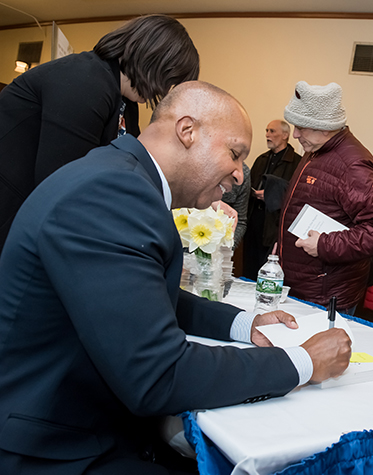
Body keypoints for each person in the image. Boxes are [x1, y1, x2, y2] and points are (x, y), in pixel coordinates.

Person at [0, 81, 352, 474]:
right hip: (55, 448)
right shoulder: (114, 193)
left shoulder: (119, 176)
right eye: (235, 154)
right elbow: (159, 374)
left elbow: (139, 296)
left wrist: (243, 324)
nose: (239, 175)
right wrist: (301, 362)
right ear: (188, 131)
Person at [0, 14, 201, 252]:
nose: (166, 91)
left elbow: (131, 169)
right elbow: (62, 183)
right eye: (170, 80)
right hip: (11, 213)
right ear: (153, 61)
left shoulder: (125, 101)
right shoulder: (84, 81)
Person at [279, 81, 373, 314]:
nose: (295, 134)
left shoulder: (352, 165)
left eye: (302, 127)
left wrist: (323, 245)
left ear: (325, 127)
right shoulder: (316, 150)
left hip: (323, 297)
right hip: (302, 288)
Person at [243, 120, 301, 280]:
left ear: (285, 135)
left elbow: (296, 196)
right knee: (250, 265)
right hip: (255, 218)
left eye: (272, 131)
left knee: (267, 269)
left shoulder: (296, 162)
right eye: (267, 131)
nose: (267, 135)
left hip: (275, 224)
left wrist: (270, 195)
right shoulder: (261, 159)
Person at [222, 162, 252, 247]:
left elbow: (241, 220)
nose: (239, 177)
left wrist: (228, 248)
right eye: (235, 154)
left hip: (221, 248)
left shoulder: (244, 172)